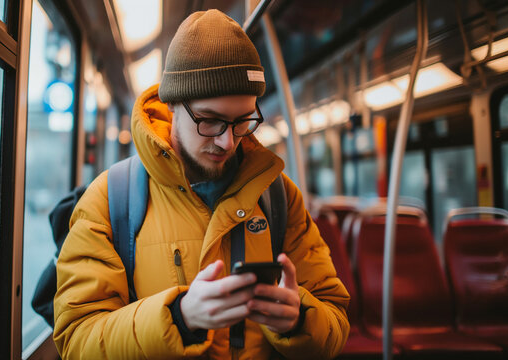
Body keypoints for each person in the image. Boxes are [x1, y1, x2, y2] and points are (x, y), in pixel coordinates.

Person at [54, 9, 349, 359]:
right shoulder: (109, 199)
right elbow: (78, 340)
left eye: (243, 122)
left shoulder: (279, 195)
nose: (228, 141)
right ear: (173, 104)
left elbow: (336, 322)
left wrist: (300, 320)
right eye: (211, 121)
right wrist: (180, 317)